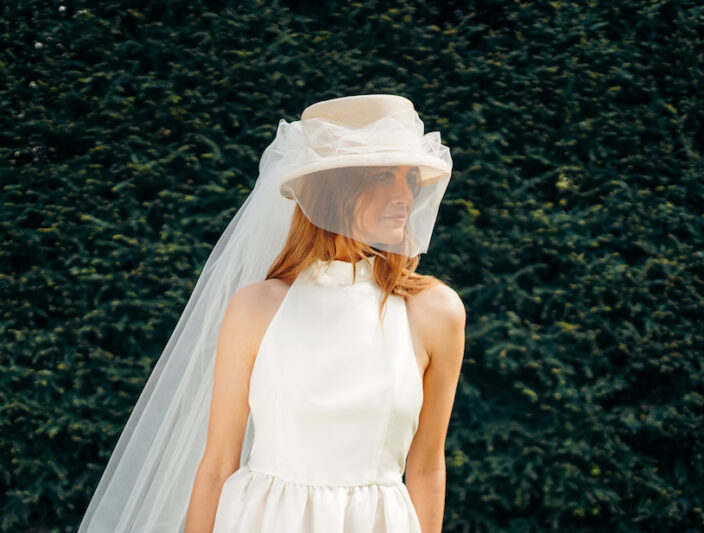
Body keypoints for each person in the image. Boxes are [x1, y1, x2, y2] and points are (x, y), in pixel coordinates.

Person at [77, 94, 465, 533]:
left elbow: (428, 467)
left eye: (411, 177)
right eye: (381, 175)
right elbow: (217, 464)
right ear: (331, 189)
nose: (404, 195)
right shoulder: (256, 307)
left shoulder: (434, 311)